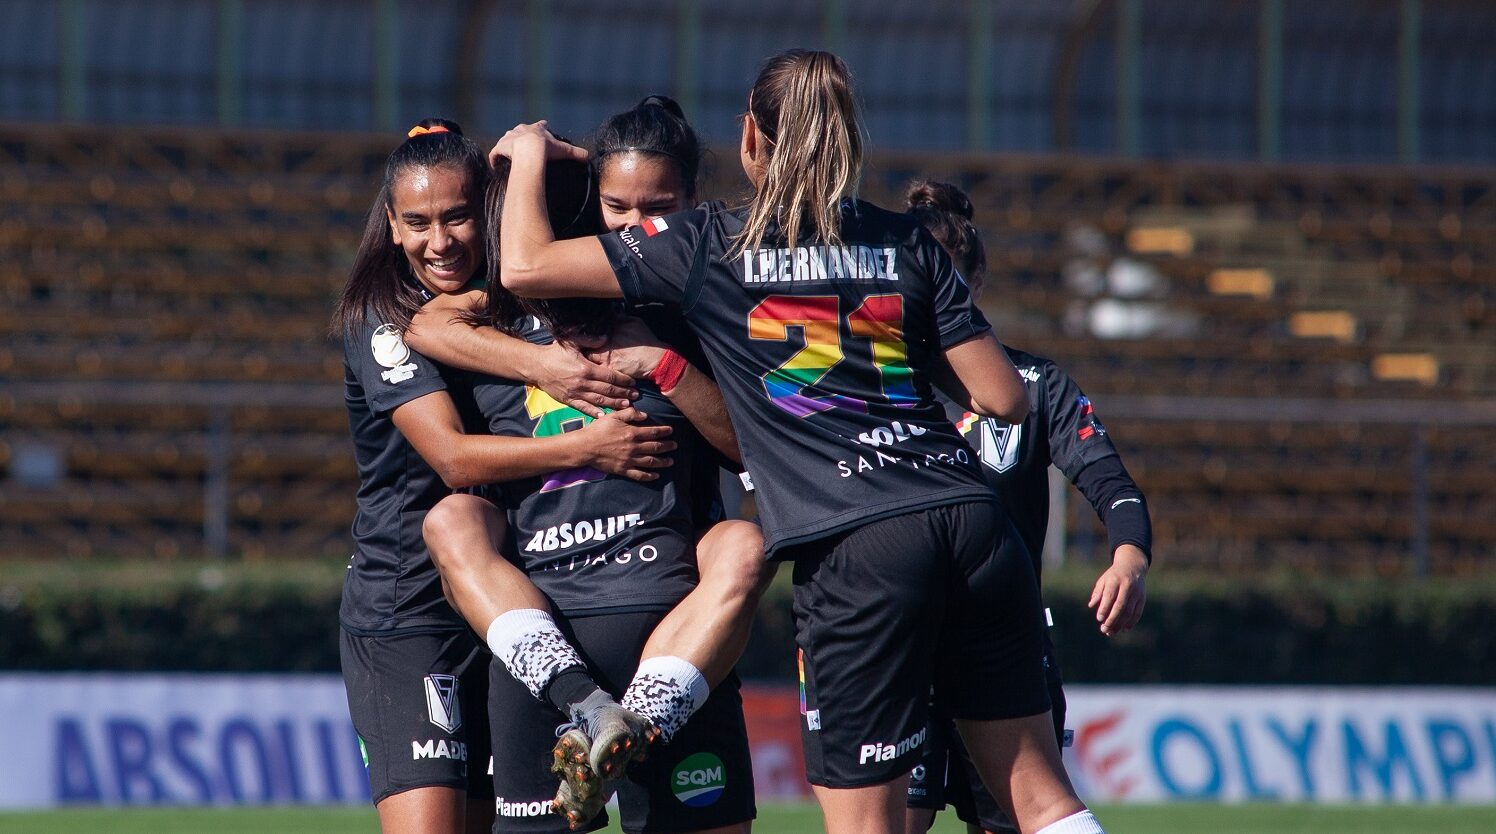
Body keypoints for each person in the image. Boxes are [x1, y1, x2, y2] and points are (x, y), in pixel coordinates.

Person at [491, 50, 1107, 834]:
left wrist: (531, 154)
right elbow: (1004, 398)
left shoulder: (709, 241)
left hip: (860, 545)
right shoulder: (906, 241)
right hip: (974, 521)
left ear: (751, 137)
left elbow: (523, 264)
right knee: (1043, 801)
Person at [330, 119, 673, 834]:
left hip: (509, 602)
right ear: (391, 227)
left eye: (456, 217)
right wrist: (588, 445)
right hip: (412, 609)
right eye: (418, 222)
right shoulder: (384, 318)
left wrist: (552, 153)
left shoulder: (505, 297)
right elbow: (452, 459)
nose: (440, 240)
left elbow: (610, 200)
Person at [421, 155, 757, 833]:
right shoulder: (494, 339)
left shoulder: (673, 317)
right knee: (453, 518)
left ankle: (632, 723)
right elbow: (424, 326)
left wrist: (665, 364)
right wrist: (543, 364)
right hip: (544, 642)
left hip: (676, 636)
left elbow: (748, 448)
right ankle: (591, 709)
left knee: (744, 542)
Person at [900, 181, 1151, 834]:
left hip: (1001, 635)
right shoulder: (869, 386)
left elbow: (1108, 479)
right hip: (898, 639)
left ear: (974, 286)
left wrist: (1129, 557)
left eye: (947, 285)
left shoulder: (1033, 388)